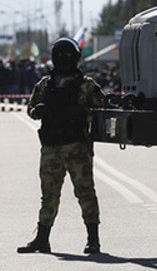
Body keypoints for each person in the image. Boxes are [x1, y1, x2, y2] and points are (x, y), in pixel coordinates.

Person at [17, 37, 104, 255]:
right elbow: (31, 108)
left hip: (77, 148)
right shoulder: (45, 84)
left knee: (85, 193)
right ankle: (42, 239)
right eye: (60, 54)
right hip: (51, 148)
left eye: (67, 54)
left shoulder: (87, 85)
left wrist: (83, 113)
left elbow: (103, 112)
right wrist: (38, 111)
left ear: (75, 57)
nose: (63, 59)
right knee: (49, 195)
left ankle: (93, 240)